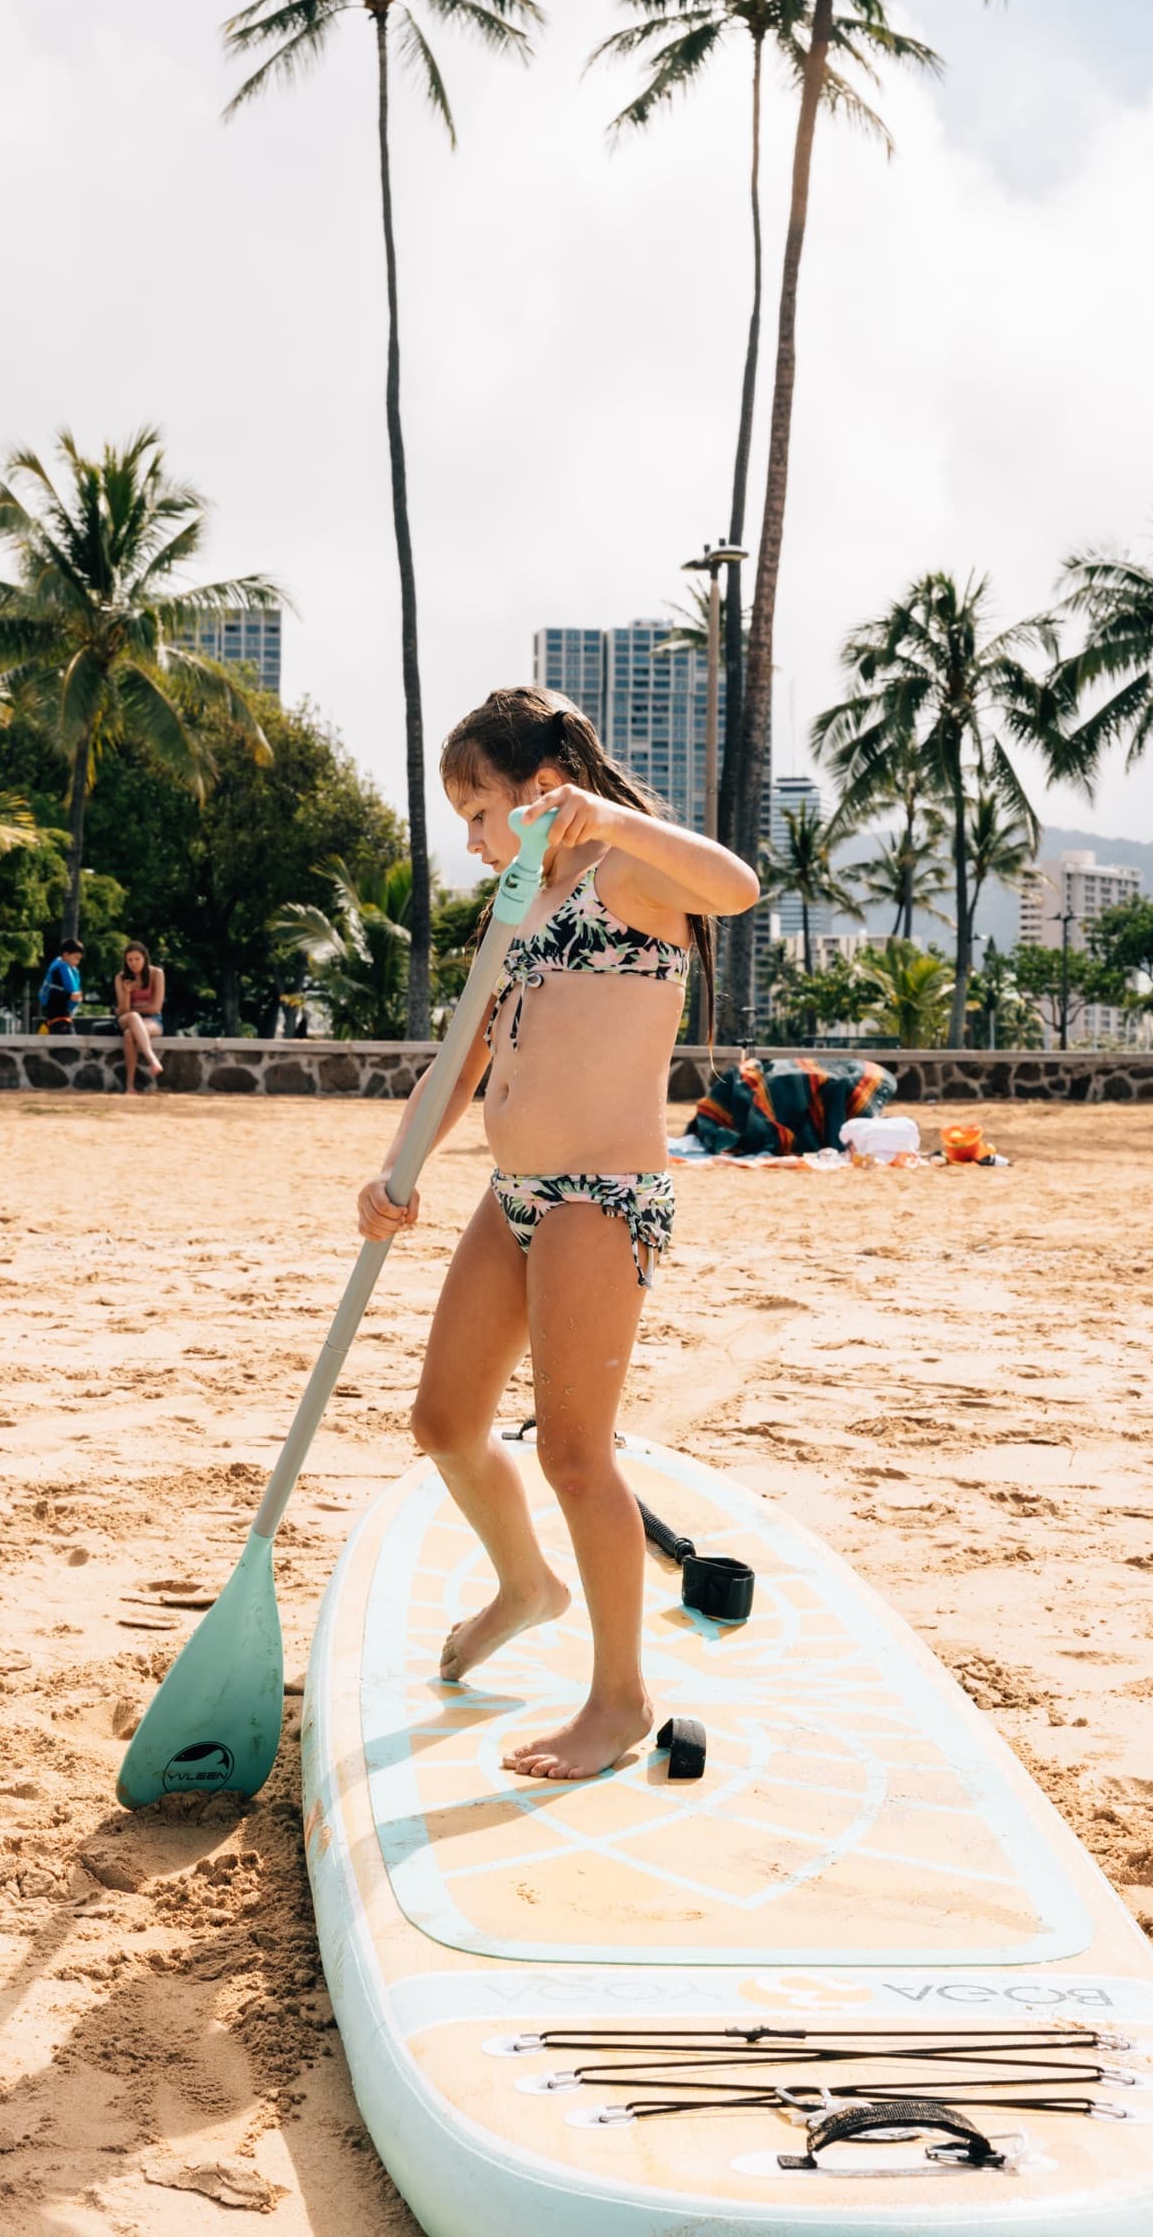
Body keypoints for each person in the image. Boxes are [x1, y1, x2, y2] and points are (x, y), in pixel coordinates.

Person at [356, 686, 757, 1782]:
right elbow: (462, 1059)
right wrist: (398, 1171)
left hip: (601, 1195)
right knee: (443, 1419)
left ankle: (620, 1697)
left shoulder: (630, 873)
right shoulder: (518, 900)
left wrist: (612, 818)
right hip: (515, 1193)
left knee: (578, 1453)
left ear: (542, 792)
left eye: (479, 814)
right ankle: (527, 1585)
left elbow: (739, 884)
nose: (475, 842)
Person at [114, 939, 166, 1090]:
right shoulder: (120, 977)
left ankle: (130, 1086)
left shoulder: (157, 974)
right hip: (127, 1018)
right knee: (133, 1017)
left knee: (130, 1035)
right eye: (130, 960)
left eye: (137, 959)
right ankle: (152, 1059)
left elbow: (156, 1008)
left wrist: (134, 1009)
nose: (134, 963)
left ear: (145, 958)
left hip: (152, 1020)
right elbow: (124, 1011)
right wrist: (127, 992)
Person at [39, 938, 83, 1035]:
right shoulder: (58, 971)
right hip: (58, 1018)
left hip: (63, 1017)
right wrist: (70, 996)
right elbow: (54, 991)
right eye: (76, 958)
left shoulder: (66, 970)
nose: (78, 962)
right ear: (66, 955)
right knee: (70, 1046)